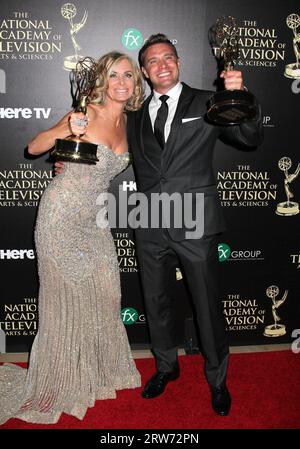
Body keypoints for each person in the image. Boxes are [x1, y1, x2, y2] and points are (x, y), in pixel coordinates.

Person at [0, 51, 144, 425]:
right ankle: (56, 381)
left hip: (95, 221)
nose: (121, 82)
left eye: (128, 76)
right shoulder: (86, 113)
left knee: (108, 294)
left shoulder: (131, 121)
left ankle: (96, 372)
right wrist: (66, 129)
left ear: (135, 83)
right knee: (61, 302)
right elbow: (34, 147)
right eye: (113, 75)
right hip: (60, 217)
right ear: (102, 80)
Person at [126, 34, 264, 416]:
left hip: (194, 221)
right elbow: (115, 155)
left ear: (179, 62)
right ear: (144, 71)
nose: (162, 65)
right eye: (153, 61)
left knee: (205, 305)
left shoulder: (207, 101)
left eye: (168, 57)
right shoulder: (134, 114)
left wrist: (241, 97)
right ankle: (165, 367)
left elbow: (250, 138)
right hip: (149, 220)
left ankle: (218, 379)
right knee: (155, 304)